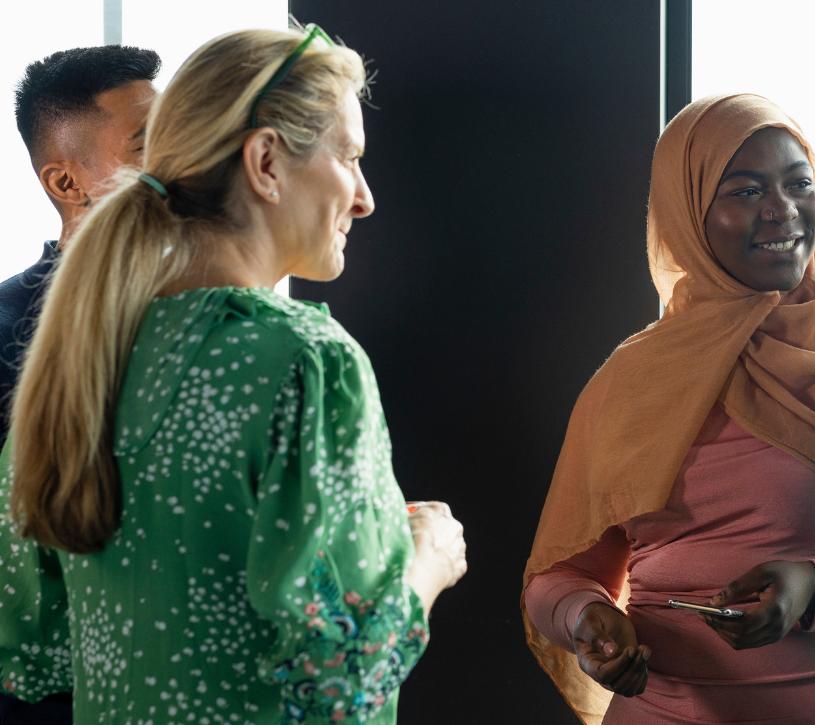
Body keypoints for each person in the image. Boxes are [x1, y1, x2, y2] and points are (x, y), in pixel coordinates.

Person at [0, 26, 467, 722]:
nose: (364, 197)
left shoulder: (82, 351)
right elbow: (344, 685)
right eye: (349, 157)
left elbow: (30, 647)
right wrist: (426, 563)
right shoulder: (306, 360)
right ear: (266, 162)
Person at [523, 93, 815, 724]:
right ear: (688, 214)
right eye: (746, 192)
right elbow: (559, 580)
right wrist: (588, 620)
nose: (782, 210)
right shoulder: (634, 379)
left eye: (799, 183)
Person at [0, 43, 161, 725]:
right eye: (147, 144)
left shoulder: (213, 317)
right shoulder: (5, 327)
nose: (179, 162)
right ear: (66, 183)